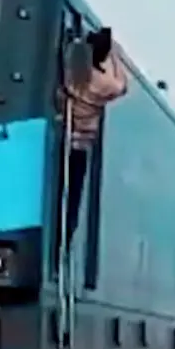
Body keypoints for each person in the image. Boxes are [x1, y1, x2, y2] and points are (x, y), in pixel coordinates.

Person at [61, 38, 128, 249]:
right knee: (72, 204)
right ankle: (64, 244)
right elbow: (121, 86)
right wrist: (115, 55)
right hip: (79, 149)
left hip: (62, 143)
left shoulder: (70, 78)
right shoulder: (99, 84)